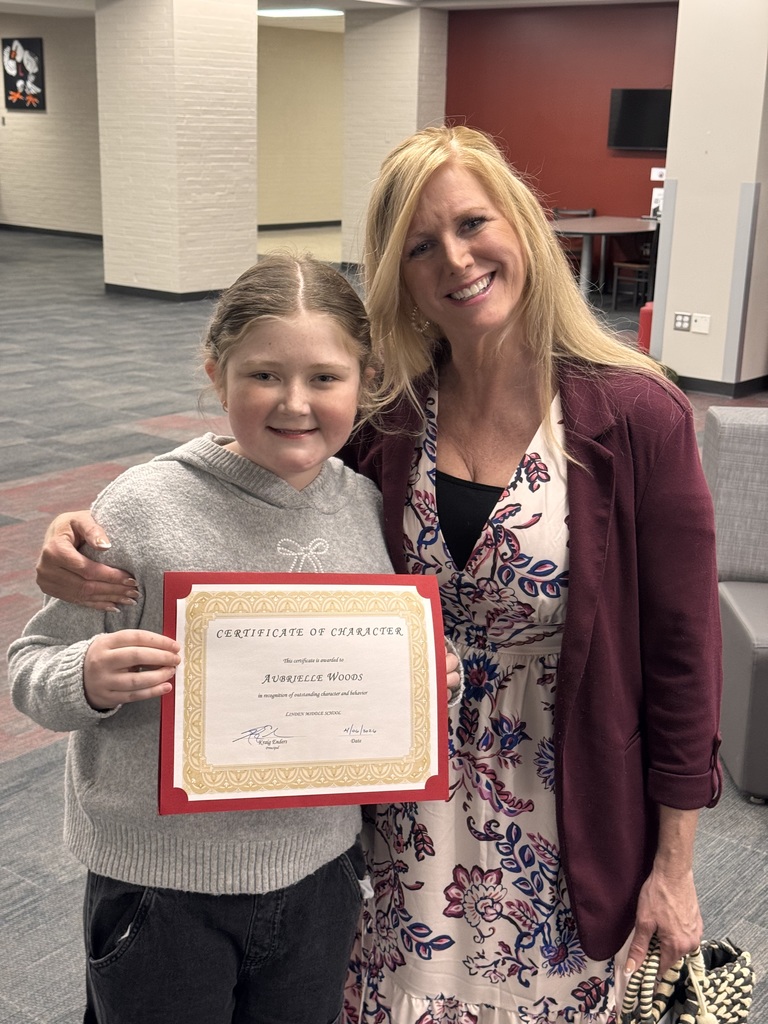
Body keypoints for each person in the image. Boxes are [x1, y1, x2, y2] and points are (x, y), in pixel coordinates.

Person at [34, 127, 722, 1024]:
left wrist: (675, 866)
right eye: (420, 246)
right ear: (396, 272)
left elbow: (683, 657)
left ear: (523, 225)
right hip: (386, 817)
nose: (456, 259)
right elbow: (262, 468)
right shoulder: (390, 417)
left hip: (564, 807)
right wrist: (93, 526)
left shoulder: (637, 416)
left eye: (473, 223)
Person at [9, 252, 458, 1024]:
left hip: (317, 874)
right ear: (217, 376)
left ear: (365, 381)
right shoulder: (144, 508)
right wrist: (86, 676)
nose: (294, 402)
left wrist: (419, 677)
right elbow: (29, 667)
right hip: (162, 886)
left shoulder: (365, 508)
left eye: (324, 377)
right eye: (262, 376)